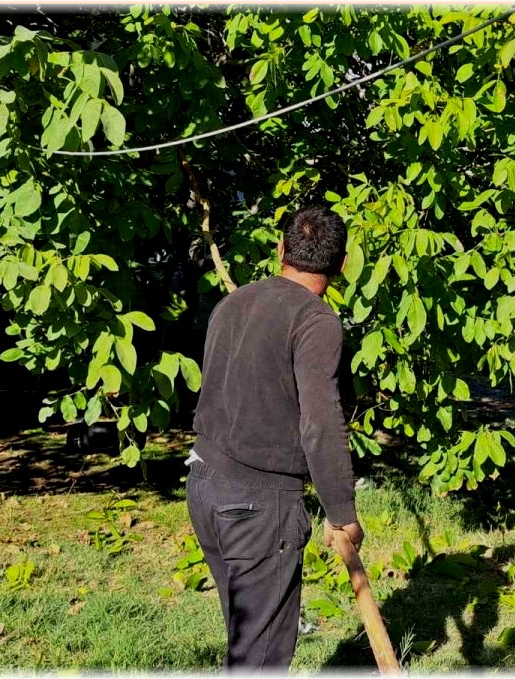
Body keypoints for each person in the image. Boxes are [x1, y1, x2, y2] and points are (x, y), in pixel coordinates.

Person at [187, 206, 364, 669]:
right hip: (257, 506)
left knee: (245, 640)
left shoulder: (233, 302)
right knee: (259, 658)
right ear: (342, 264)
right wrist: (342, 511)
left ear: (281, 249)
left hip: (204, 483)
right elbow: (320, 421)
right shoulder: (317, 320)